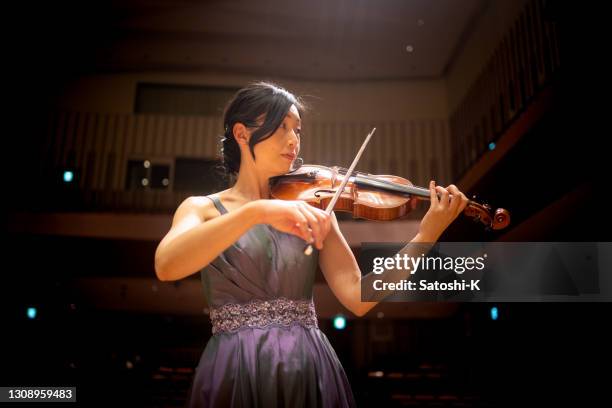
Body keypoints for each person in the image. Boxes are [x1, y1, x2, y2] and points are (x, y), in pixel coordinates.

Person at [154, 82, 469, 407]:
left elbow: (359, 296)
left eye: (298, 130)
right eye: (281, 128)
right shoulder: (201, 208)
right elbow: (166, 265)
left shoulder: (315, 210)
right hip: (236, 365)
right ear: (242, 133)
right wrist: (256, 212)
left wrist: (425, 237)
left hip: (306, 364)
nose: (294, 140)